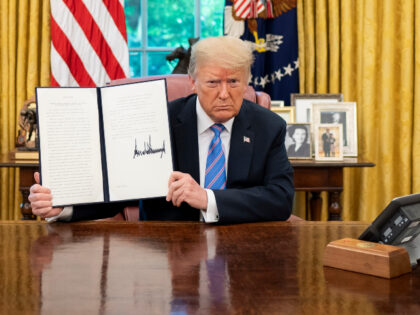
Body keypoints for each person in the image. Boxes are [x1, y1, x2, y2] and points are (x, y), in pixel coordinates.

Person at [29, 36, 294, 224]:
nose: (224, 93)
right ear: (192, 82)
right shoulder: (158, 121)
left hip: (243, 248)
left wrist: (208, 198)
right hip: (166, 252)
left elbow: (280, 199)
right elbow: (121, 191)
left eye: (234, 82)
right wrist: (64, 206)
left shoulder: (268, 126)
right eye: (213, 82)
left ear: (247, 82)